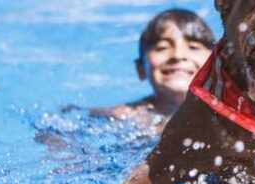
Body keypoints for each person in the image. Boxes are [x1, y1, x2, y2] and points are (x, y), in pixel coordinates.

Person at [82, 9, 216, 134]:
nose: (178, 55)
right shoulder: (123, 117)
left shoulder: (226, 116)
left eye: (193, 47)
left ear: (216, 64)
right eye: (162, 48)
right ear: (141, 69)